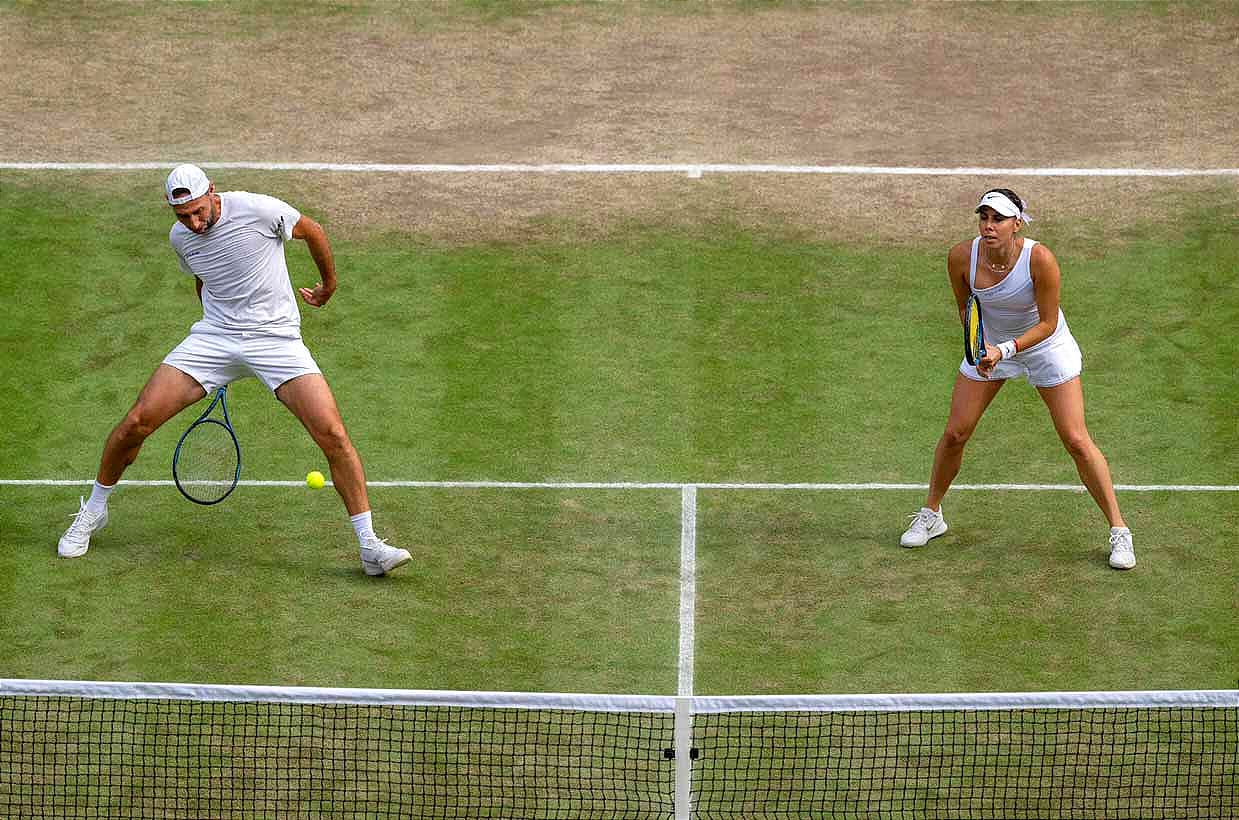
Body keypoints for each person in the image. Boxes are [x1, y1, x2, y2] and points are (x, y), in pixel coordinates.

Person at [57, 164, 411, 577]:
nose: (193, 222)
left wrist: (328, 284)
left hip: (276, 340)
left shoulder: (259, 210)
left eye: (198, 210)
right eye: (182, 216)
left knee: (332, 434)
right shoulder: (180, 239)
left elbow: (312, 230)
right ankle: (93, 512)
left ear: (212, 191)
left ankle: (370, 547)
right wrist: (220, 345)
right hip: (215, 339)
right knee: (136, 422)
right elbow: (204, 280)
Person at [900, 188, 1135, 570]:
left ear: (1017, 224)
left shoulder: (1040, 259)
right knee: (955, 433)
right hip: (991, 349)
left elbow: (1048, 322)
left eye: (998, 219)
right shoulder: (961, 256)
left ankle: (1119, 531)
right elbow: (966, 309)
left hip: (1045, 347)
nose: (989, 226)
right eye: (984, 218)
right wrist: (980, 346)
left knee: (1076, 440)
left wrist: (1004, 350)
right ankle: (932, 514)